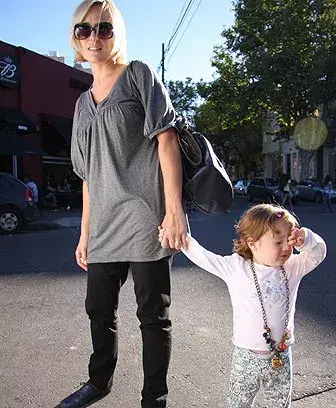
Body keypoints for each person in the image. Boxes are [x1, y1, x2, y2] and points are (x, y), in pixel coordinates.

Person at [55, 1, 187, 408]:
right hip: (104, 226)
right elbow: (89, 177)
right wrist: (84, 234)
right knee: (98, 310)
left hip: (147, 219)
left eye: (104, 28)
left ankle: (155, 398)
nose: (94, 36)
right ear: (76, 38)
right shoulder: (81, 105)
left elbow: (167, 141)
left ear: (117, 33)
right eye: (84, 30)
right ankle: (99, 382)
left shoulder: (138, 77)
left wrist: (174, 210)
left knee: (153, 317)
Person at [159, 204, 326, 407]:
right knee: (238, 403)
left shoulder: (293, 267)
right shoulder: (237, 267)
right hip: (245, 357)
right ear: (252, 243)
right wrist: (180, 236)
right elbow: (204, 257)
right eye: (278, 241)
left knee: (280, 404)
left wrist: (305, 239)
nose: (286, 247)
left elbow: (319, 252)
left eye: (289, 240)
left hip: (281, 356)